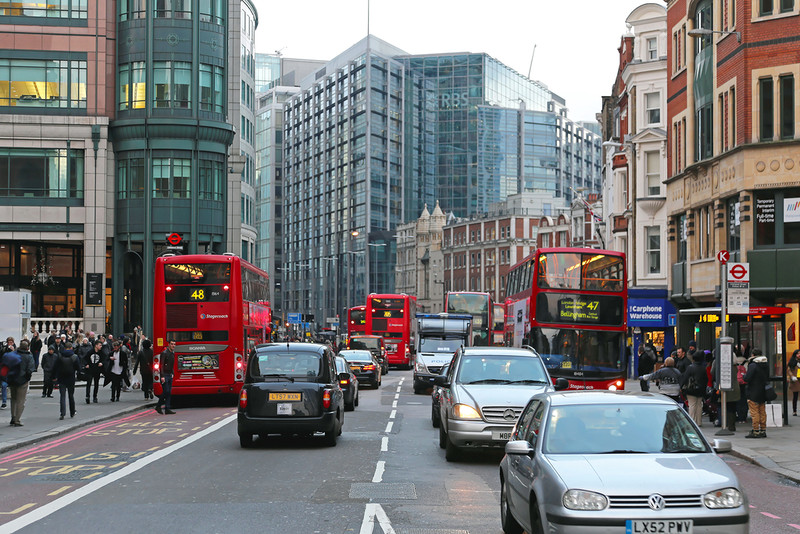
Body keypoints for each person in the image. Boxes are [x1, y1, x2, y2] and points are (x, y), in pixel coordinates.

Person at [5, 340, 35, 426]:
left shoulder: (13, 354)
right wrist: (27, 377)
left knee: (13, 399)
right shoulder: (29, 356)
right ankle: (17, 420)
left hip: (12, 379)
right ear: (27, 348)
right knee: (20, 401)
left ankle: (13, 417)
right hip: (23, 380)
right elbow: (30, 369)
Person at [711, 349, 741, 432]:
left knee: (722, 405)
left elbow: (712, 372)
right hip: (734, 388)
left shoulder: (719, 363)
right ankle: (731, 425)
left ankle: (723, 423)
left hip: (724, 387)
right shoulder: (735, 367)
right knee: (732, 407)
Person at [743, 348, 770, 438]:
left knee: (754, 412)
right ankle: (763, 430)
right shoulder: (765, 364)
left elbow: (747, 378)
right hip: (763, 391)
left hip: (753, 391)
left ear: (753, 355)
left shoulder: (753, 365)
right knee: (762, 411)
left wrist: (744, 376)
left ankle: (756, 430)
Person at [679, 350, 707, 427]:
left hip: (691, 389)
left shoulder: (690, 367)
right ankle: (699, 421)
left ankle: (692, 421)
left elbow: (685, 378)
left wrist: (681, 386)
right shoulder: (703, 368)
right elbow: (705, 379)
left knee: (692, 405)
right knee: (699, 405)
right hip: (700, 389)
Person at [53, 342, 80, 420]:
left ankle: (62, 413)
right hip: (71, 378)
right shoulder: (75, 357)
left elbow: (55, 367)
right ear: (71, 348)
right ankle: (72, 412)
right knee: (71, 396)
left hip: (61, 378)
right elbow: (78, 368)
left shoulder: (60, 355)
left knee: (62, 396)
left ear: (65, 348)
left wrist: (54, 377)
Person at [155, 340, 176, 415]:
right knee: (166, 391)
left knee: (168, 392)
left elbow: (172, 364)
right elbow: (161, 365)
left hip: (170, 374)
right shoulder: (164, 353)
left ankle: (167, 408)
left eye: (174, 344)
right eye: (172, 344)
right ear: (168, 345)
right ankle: (158, 406)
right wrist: (162, 376)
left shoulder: (172, 353)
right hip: (165, 375)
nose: (173, 346)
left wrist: (172, 373)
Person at [0, 336, 15, 410]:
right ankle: (4, 402)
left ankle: (4, 402)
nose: (10, 343)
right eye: (9, 342)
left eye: (11, 342)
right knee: (4, 385)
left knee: (4, 385)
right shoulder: (4, 349)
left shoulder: (15, 351)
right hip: (3, 371)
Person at [789, 349, 800, 417]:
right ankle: (794, 411)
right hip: (795, 381)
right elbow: (789, 370)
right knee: (795, 396)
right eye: (798, 353)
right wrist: (792, 376)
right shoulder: (792, 362)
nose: (799, 355)